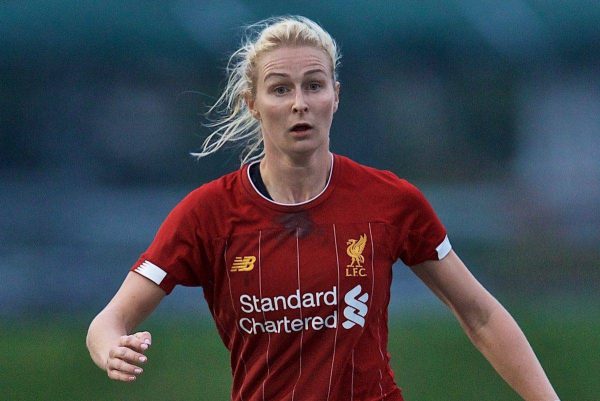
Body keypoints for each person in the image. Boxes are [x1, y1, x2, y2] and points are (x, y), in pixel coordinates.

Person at [86, 15, 560, 401]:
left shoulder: (390, 201)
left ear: (336, 96)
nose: (300, 104)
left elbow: (479, 313)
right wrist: (111, 348)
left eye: (314, 86)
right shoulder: (208, 214)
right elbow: (108, 321)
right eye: (280, 89)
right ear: (253, 104)